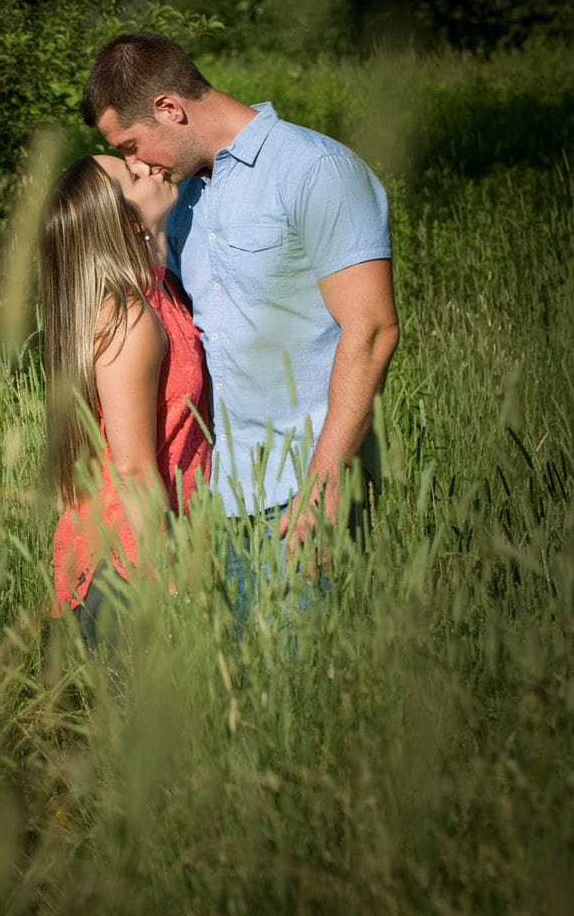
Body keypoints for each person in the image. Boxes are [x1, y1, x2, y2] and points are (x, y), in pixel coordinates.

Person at [79, 33, 400, 629]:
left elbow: (374, 328)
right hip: (207, 504)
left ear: (170, 108)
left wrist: (323, 490)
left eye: (132, 144)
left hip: (299, 493)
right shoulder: (176, 201)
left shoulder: (317, 170)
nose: (136, 164)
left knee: (301, 696)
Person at [43, 155, 212, 651]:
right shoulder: (127, 319)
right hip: (130, 569)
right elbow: (134, 470)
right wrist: (172, 582)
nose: (147, 166)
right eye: (132, 176)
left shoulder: (156, 294)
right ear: (120, 220)